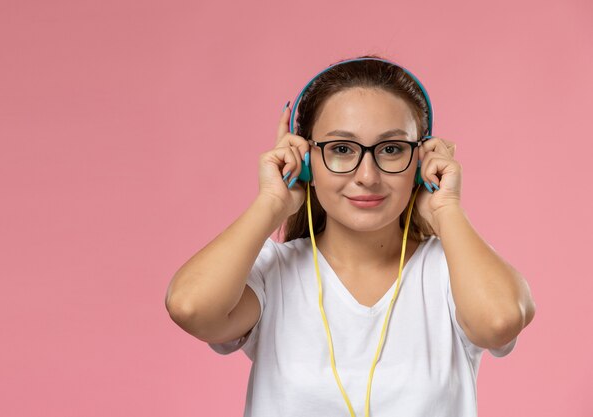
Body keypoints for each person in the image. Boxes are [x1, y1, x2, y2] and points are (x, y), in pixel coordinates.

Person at [165, 55, 536, 417]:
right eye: (342, 149)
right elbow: (191, 307)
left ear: (421, 162)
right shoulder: (272, 271)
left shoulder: (451, 272)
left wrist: (447, 208)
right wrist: (271, 203)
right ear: (306, 160)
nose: (367, 176)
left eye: (391, 149)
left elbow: (500, 320)